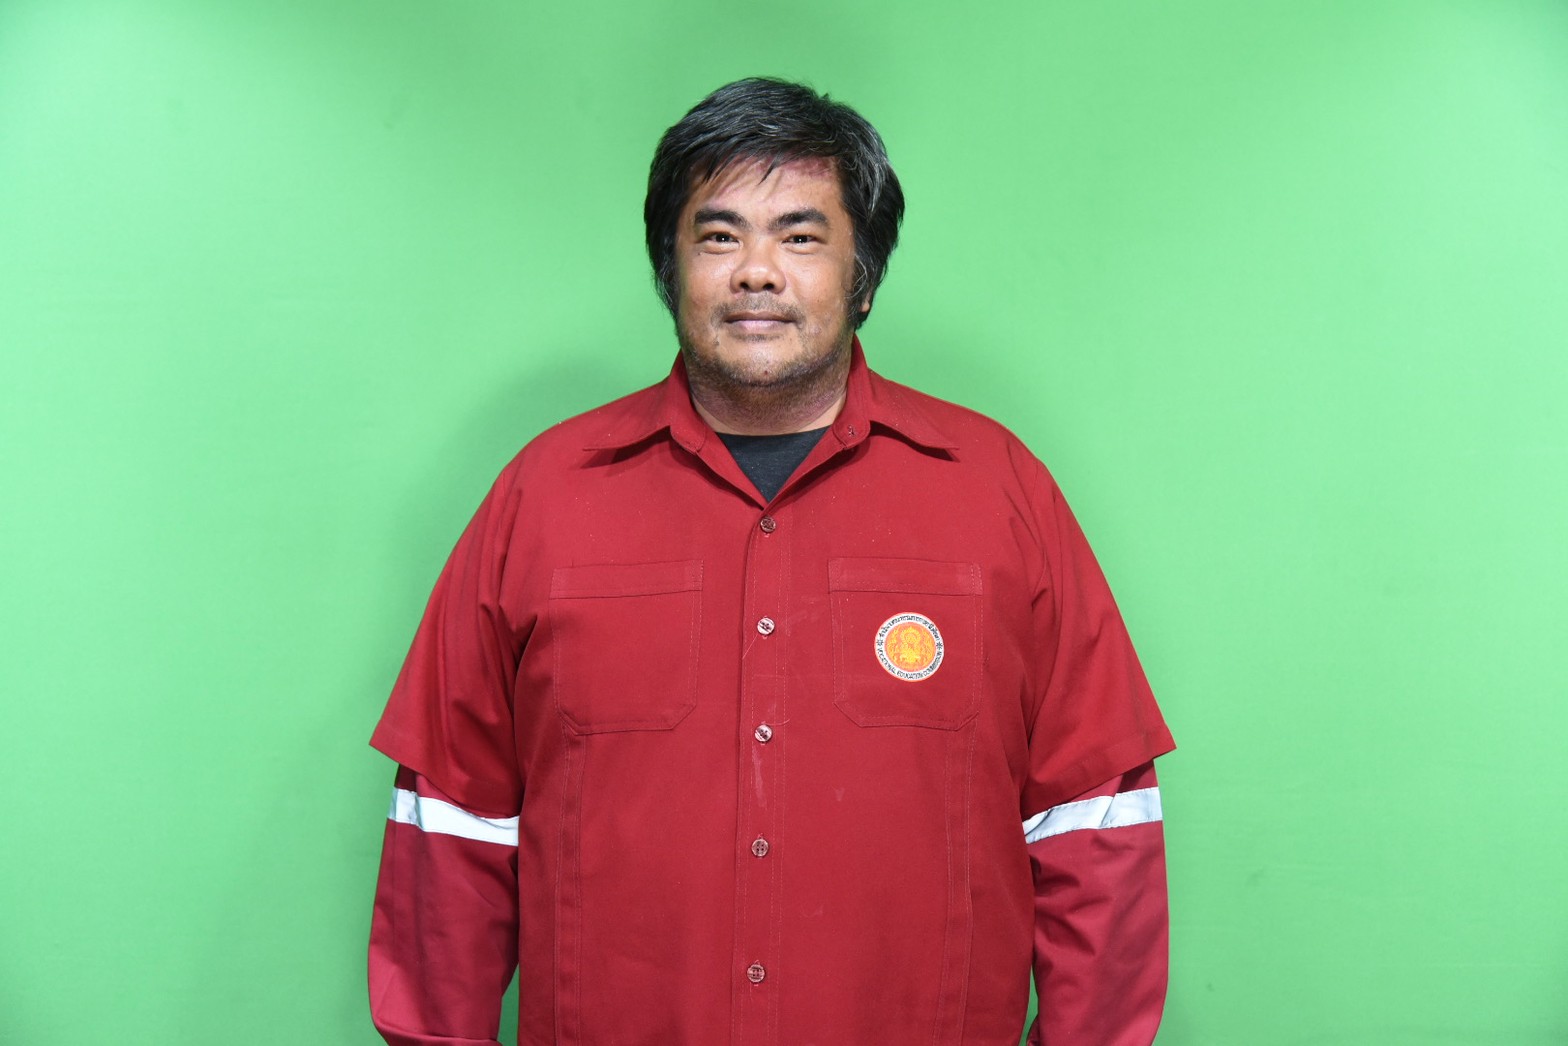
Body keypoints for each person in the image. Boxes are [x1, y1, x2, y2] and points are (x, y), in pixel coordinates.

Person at [367, 77, 1175, 1046]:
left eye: (799, 237)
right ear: (669, 271)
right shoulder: (540, 498)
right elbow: (447, 838)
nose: (757, 272)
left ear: (862, 277)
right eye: (718, 236)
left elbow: (1097, 826)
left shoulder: (1000, 494)